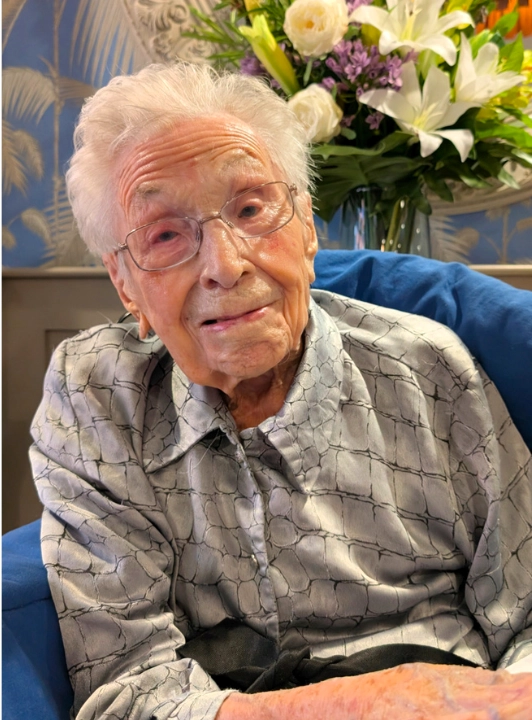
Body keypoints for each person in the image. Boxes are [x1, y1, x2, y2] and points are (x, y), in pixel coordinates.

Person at [34, 62, 532, 720]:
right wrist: (372, 705)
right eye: (165, 235)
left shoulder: (429, 370)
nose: (226, 264)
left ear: (305, 226)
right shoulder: (96, 399)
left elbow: (526, 614)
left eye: (250, 208)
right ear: (127, 286)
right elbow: (125, 689)